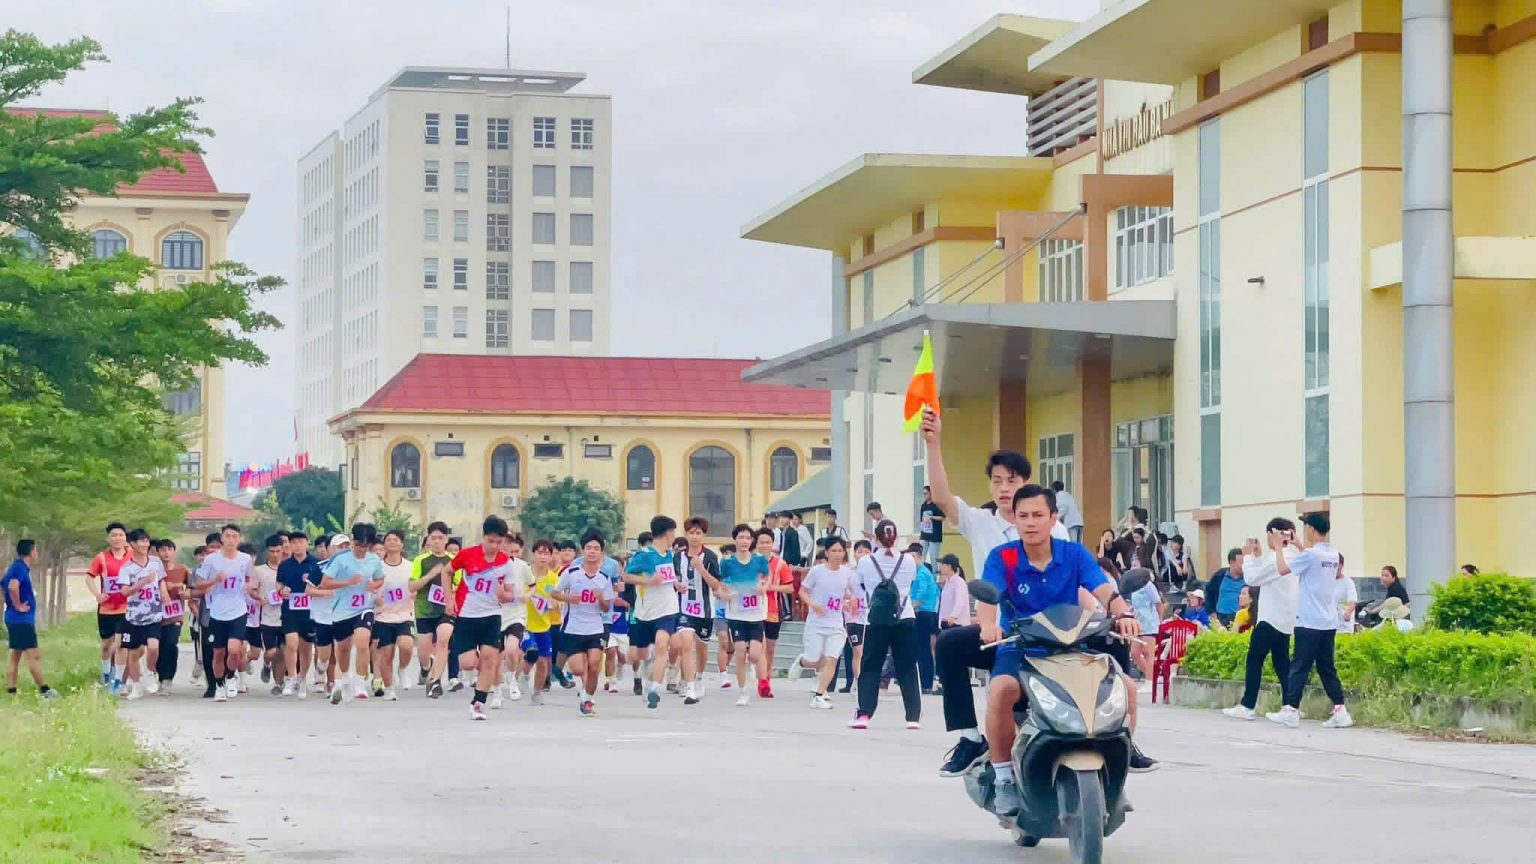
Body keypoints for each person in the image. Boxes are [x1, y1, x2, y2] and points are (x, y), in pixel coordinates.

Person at [919, 407, 1079, 775]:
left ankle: (1120, 739)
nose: (1004, 488)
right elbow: (942, 496)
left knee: (1111, 651)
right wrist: (933, 442)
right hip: (1001, 632)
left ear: (1027, 483)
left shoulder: (1054, 530)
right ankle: (969, 737)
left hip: (1050, 632)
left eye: (1012, 480)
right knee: (949, 644)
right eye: (997, 481)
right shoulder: (979, 522)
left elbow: (1078, 581)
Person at [980, 485, 1141, 817]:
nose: (1030, 522)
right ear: (1014, 519)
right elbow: (988, 597)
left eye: (1038, 515)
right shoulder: (1003, 557)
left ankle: (1118, 770)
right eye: (1023, 516)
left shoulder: (1074, 554)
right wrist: (987, 625)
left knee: (1125, 688)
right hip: (1020, 648)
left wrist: (1123, 613)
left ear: (1054, 518)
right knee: (1000, 689)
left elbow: (1104, 589)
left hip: (1071, 646)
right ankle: (1004, 778)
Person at [1269, 512, 1351, 730]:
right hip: (1328, 622)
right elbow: (1313, 561)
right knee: (1326, 667)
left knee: (1299, 667)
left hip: (1308, 621)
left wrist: (1278, 547)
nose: (1304, 530)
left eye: (1306, 526)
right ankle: (1340, 709)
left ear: (1312, 529)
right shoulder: (1333, 555)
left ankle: (1291, 710)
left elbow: (1282, 569)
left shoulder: (1311, 555)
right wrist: (1298, 544)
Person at [847, 520, 922, 730]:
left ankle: (864, 713)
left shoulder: (865, 561)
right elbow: (909, 584)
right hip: (905, 617)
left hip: (876, 619)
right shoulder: (908, 560)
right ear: (896, 537)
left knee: (871, 665)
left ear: (876, 538)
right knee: (907, 666)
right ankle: (913, 717)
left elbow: (862, 585)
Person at [1222, 524, 1300, 722]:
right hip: (1284, 619)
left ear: (1273, 535)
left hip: (1270, 618)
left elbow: (1252, 578)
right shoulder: (1291, 556)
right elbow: (1263, 572)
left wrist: (1248, 556)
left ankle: (1248, 705)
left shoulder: (1278, 558)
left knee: (1254, 660)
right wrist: (1257, 557)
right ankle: (1290, 705)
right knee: (1282, 663)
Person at [447, 516, 518, 720]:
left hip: (492, 616)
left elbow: (510, 595)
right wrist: (449, 598)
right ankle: (480, 668)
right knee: (468, 663)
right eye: (490, 541)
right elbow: (447, 571)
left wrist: (503, 594)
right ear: (484, 537)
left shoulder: (506, 563)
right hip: (467, 615)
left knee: (489, 659)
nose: (494, 546)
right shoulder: (468, 555)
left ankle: (478, 703)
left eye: (499, 542)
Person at [188, 524, 257, 703]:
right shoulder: (211, 560)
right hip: (216, 611)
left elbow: (249, 579)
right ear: (222, 538)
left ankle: (231, 675)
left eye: (235, 536)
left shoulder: (245, 559)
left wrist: (249, 587)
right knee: (218, 652)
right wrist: (215, 580)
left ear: (239, 539)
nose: (231, 539)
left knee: (234, 650)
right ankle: (219, 685)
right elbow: (198, 583)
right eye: (228, 536)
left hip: (238, 610)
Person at [624, 516, 684, 710]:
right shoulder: (644, 555)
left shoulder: (669, 555)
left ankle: (654, 689)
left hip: (667, 610)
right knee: (639, 654)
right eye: (673, 533)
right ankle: (647, 670)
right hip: (645, 612)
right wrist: (649, 581)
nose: (674, 537)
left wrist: (677, 584)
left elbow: (668, 577)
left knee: (661, 645)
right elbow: (627, 576)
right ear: (667, 534)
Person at [552, 532, 615, 717]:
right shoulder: (572, 573)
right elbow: (554, 593)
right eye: (589, 548)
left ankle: (587, 700)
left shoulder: (604, 578)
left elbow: (606, 608)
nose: (592, 552)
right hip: (573, 627)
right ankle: (583, 688)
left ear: (601, 552)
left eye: (596, 549)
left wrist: (600, 598)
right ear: (583, 550)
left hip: (595, 628)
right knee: (579, 668)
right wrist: (568, 598)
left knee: (594, 665)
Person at [795, 537, 854, 709]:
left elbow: (846, 592)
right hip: (816, 623)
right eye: (833, 551)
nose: (837, 554)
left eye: (840, 551)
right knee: (813, 659)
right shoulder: (817, 571)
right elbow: (802, 591)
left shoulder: (847, 572)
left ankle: (819, 695)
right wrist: (813, 604)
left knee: (831, 659)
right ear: (827, 553)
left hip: (836, 624)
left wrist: (850, 600)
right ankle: (801, 662)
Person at [717, 524, 769, 706]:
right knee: (739, 652)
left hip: (756, 615)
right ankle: (743, 691)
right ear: (735, 540)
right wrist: (725, 593)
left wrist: (763, 588)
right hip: (736, 614)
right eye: (741, 537)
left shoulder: (759, 560)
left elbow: (767, 578)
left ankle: (753, 666)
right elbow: (721, 583)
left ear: (752, 540)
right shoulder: (727, 562)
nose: (744, 541)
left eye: (748, 538)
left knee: (754, 655)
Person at [674, 516, 721, 705]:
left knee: (702, 647)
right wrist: (676, 585)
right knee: (686, 643)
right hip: (684, 608)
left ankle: (699, 677)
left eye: (698, 533)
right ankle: (690, 687)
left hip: (705, 610)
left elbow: (716, 585)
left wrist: (701, 569)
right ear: (686, 534)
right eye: (691, 533)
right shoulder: (677, 557)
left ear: (704, 535)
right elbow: (672, 579)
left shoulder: (710, 557)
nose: (694, 536)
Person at [4, 540, 58, 698]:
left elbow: (4, 584)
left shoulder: (15, 567)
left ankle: (11, 691)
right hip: (21, 620)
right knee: (33, 654)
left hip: (14, 618)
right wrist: (17, 605)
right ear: (31, 552)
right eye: (36, 550)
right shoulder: (20, 568)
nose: (37, 553)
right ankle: (45, 690)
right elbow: (12, 586)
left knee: (15, 655)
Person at [117, 528, 166, 700]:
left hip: (153, 614)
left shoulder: (156, 562)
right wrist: (142, 582)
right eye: (141, 541)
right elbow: (125, 592)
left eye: (146, 541)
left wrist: (164, 593)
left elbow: (161, 580)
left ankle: (150, 671)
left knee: (153, 647)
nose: (145, 544)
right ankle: (136, 686)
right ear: (132, 544)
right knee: (133, 653)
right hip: (133, 617)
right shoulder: (127, 568)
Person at [370, 529, 416, 702]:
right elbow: (370, 587)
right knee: (386, 653)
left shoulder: (410, 566)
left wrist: (414, 593)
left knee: (406, 645)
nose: (392, 542)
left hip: (404, 614)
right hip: (383, 616)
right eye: (389, 539)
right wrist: (375, 598)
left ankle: (402, 669)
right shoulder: (377, 567)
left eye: (396, 539)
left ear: (402, 544)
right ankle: (389, 688)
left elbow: (415, 586)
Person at [274, 532, 320, 699]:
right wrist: (281, 591)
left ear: (307, 543)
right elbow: (279, 584)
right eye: (294, 542)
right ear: (289, 545)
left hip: (310, 612)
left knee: (306, 648)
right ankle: (291, 677)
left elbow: (322, 584)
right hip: (290, 610)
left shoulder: (315, 564)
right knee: (291, 643)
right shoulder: (284, 565)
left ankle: (302, 679)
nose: (297, 545)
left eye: (301, 542)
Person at [87, 522, 131, 693]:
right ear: (108, 538)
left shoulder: (133, 556)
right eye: (114, 535)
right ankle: (106, 673)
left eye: (120, 535)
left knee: (121, 644)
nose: (117, 538)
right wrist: (97, 594)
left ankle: (118, 681)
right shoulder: (101, 558)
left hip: (127, 608)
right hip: (106, 609)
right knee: (107, 645)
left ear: (125, 537)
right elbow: (89, 578)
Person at [413, 523, 454, 697]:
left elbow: (459, 585)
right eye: (433, 538)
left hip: (446, 610)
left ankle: (435, 681)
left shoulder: (454, 561)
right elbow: (412, 586)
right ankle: (425, 668)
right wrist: (431, 575)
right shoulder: (420, 560)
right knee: (424, 653)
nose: (437, 541)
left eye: (440, 538)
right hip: (425, 611)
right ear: (428, 540)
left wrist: (451, 594)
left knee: (443, 641)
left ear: (446, 540)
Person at [757, 527, 796, 699]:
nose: (765, 545)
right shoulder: (750, 562)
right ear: (756, 544)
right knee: (760, 646)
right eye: (761, 542)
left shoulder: (780, 564)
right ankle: (762, 680)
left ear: (773, 543)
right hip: (753, 610)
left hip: (773, 610)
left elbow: (790, 588)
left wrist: (772, 587)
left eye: (768, 542)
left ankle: (767, 679)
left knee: (770, 649)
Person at [522, 539, 563, 706]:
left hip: (543, 625)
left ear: (551, 556)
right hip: (524, 624)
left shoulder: (554, 579)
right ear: (533, 554)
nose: (543, 556)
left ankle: (537, 692)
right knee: (531, 654)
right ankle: (523, 676)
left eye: (547, 553)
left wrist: (555, 604)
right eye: (539, 552)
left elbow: (560, 602)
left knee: (543, 662)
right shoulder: (524, 573)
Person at [153, 539, 188, 695]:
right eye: (163, 550)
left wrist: (184, 592)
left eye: (169, 549)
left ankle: (167, 679)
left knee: (171, 646)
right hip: (155, 616)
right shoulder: (153, 570)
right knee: (157, 648)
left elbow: (192, 588)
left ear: (174, 551)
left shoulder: (182, 570)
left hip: (175, 616)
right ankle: (159, 677)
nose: (166, 553)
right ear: (157, 553)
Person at [253, 534, 286, 693]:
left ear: (283, 550)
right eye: (272, 551)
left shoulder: (288, 568)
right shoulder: (259, 570)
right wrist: (259, 598)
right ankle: (266, 664)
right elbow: (252, 590)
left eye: (278, 551)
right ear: (267, 551)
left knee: (283, 652)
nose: (275, 554)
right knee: (272, 652)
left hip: (286, 617)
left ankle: (278, 684)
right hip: (267, 618)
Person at [907, 543, 940, 693]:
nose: (911, 560)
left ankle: (926, 683)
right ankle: (924, 682)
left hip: (923, 614)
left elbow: (920, 594)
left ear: (920, 556)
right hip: (925, 613)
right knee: (922, 648)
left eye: (913, 556)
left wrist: (911, 606)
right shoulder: (919, 572)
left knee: (923, 649)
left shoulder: (922, 573)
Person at [1209, 550, 1246, 628]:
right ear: (1232, 562)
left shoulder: (1248, 578)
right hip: (1220, 617)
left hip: (1239, 618)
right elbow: (1209, 592)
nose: (1244, 566)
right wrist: (1211, 612)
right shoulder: (1219, 575)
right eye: (1241, 563)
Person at [937, 555, 971, 631]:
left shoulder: (959, 582)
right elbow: (943, 605)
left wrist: (953, 616)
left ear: (949, 566)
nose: (940, 567)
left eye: (942, 565)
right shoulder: (947, 583)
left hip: (958, 624)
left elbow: (960, 602)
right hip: (947, 624)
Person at [1050, 480, 1084, 545]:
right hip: (1079, 522)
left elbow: (1064, 507)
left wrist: (1056, 518)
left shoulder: (1058, 496)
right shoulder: (1068, 495)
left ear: (1054, 489)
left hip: (1071, 523)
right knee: (1078, 545)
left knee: (1072, 545)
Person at [918, 486, 945, 563]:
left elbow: (943, 518)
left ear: (931, 494)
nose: (924, 495)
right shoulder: (923, 505)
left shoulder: (936, 505)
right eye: (923, 494)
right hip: (924, 535)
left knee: (934, 559)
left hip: (934, 536)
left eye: (926, 493)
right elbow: (921, 520)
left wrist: (932, 517)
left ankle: (934, 571)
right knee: (921, 556)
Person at [1335, 554, 1359, 635]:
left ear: (1341, 566)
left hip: (1343, 627)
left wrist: (1348, 612)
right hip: (1329, 626)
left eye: (1336, 565)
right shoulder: (1326, 582)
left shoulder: (1348, 582)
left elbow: (1352, 602)